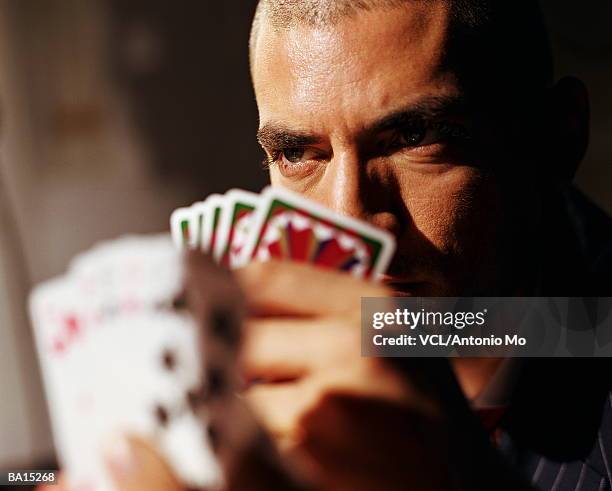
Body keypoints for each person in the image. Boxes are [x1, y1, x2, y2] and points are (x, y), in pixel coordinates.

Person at [46, 1, 612, 490]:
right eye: (298, 154)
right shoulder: (228, 387)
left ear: (557, 137)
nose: (349, 221)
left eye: (414, 138)